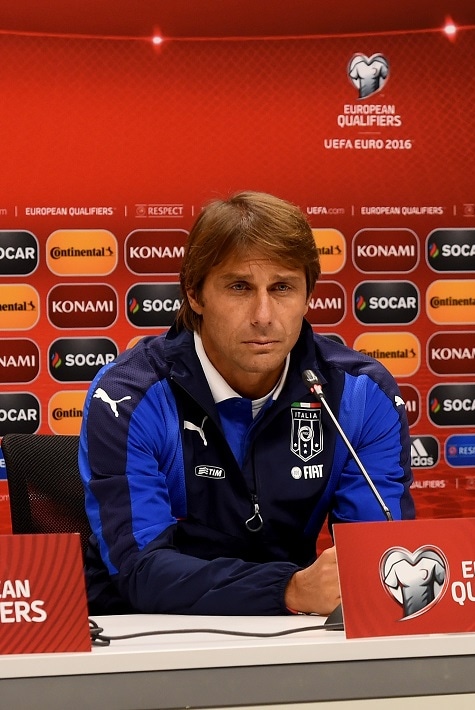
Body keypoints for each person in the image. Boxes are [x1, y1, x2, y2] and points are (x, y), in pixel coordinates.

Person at [80, 191, 414, 615]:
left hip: (294, 634)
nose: (263, 315)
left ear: (308, 297)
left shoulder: (360, 395)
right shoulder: (128, 395)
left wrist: (310, 590)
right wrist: (287, 589)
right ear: (195, 294)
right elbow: (140, 570)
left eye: (282, 288)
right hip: (142, 633)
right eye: (239, 287)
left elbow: (381, 562)